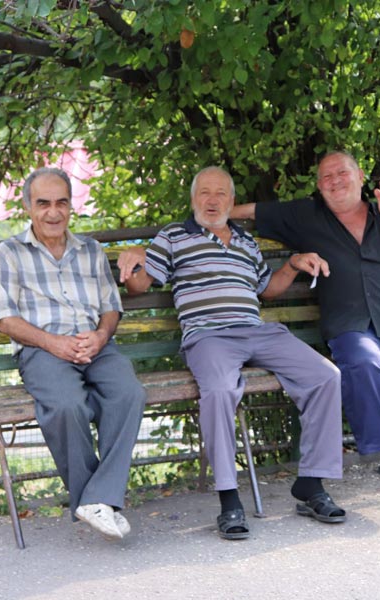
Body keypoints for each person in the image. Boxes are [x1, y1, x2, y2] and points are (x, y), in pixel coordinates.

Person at [117, 166, 345, 540]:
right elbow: (140, 286)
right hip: (208, 337)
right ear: (193, 199)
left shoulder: (245, 241)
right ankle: (229, 501)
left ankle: (310, 486)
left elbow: (266, 289)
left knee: (325, 376)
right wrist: (135, 257)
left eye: (220, 193)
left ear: (231, 201)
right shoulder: (174, 236)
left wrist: (292, 264)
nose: (212, 200)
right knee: (221, 391)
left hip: (257, 332)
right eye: (204, 193)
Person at [229, 151, 380, 495]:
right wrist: (210, 211)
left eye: (342, 173)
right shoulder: (305, 215)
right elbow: (251, 211)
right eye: (326, 177)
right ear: (318, 186)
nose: (335, 181)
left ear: (360, 176)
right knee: (360, 361)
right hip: (350, 322)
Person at [0, 167, 146, 540]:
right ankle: (99, 500)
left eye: (61, 202)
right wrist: (53, 342)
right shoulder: (9, 253)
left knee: (130, 393)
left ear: (70, 206)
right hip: (41, 349)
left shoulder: (90, 250)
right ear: (28, 206)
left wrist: (101, 334)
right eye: (43, 203)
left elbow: (111, 306)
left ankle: (96, 499)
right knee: (66, 405)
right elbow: (4, 319)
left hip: (96, 345)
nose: (53, 212)